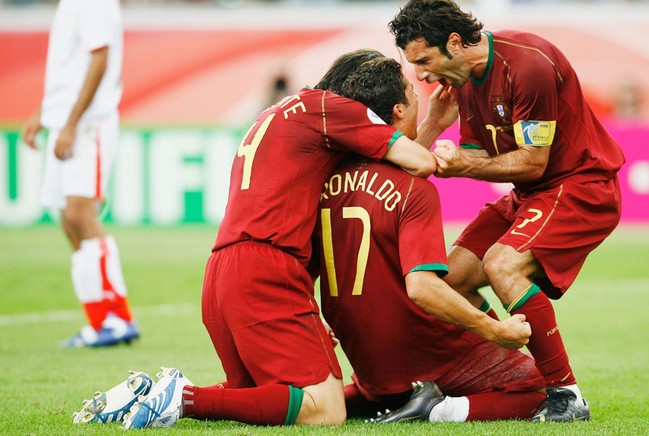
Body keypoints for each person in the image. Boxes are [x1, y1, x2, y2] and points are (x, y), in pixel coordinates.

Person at [72, 49, 437, 429]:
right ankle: (182, 395)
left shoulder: (283, 112)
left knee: (252, 396)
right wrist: (439, 124)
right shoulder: (333, 108)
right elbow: (421, 162)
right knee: (326, 410)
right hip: (265, 268)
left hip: (222, 271)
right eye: (410, 91)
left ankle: (145, 394)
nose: (414, 98)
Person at [388, 0, 625, 422]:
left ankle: (567, 396)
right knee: (448, 283)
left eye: (423, 60)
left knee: (503, 265)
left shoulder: (528, 65)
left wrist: (463, 164)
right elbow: (478, 151)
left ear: (455, 43)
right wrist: (435, 128)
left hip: (579, 187)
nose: (421, 75)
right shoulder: (462, 80)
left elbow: (533, 160)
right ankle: (514, 377)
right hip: (529, 194)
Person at [314, 57, 545, 424]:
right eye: (411, 89)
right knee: (536, 391)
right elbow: (422, 288)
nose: (418, 91)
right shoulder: (414, 190)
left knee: (339, 402)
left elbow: (386, 167)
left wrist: (433, 124)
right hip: (416, 346)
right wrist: (495, 330)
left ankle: (339, 399)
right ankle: (438, 409)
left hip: (368, 357)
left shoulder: (325, 181)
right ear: (399, 109)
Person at [21, 0, 138, 348]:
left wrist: (70, 123)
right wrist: (45, 112)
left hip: (89, 123)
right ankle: (99, 320)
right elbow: (70, 66)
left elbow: (98, 59)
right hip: (66, 119)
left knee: (79, 213)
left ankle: (118, 317)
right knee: (68, 220)